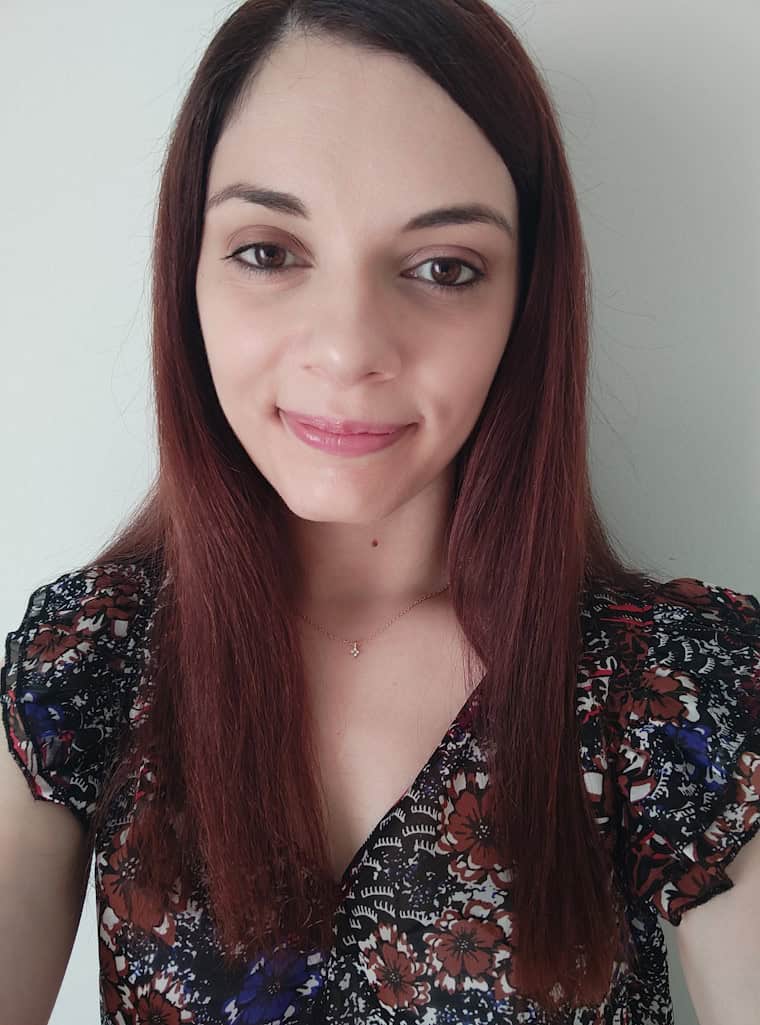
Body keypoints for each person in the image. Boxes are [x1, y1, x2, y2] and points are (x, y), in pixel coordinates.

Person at [1, 1, 759, 1023]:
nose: (349, 346)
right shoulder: (89, 661)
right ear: (188, 272)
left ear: (524, 304)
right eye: (269, 251)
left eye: (444, 267)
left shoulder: (676, 688)